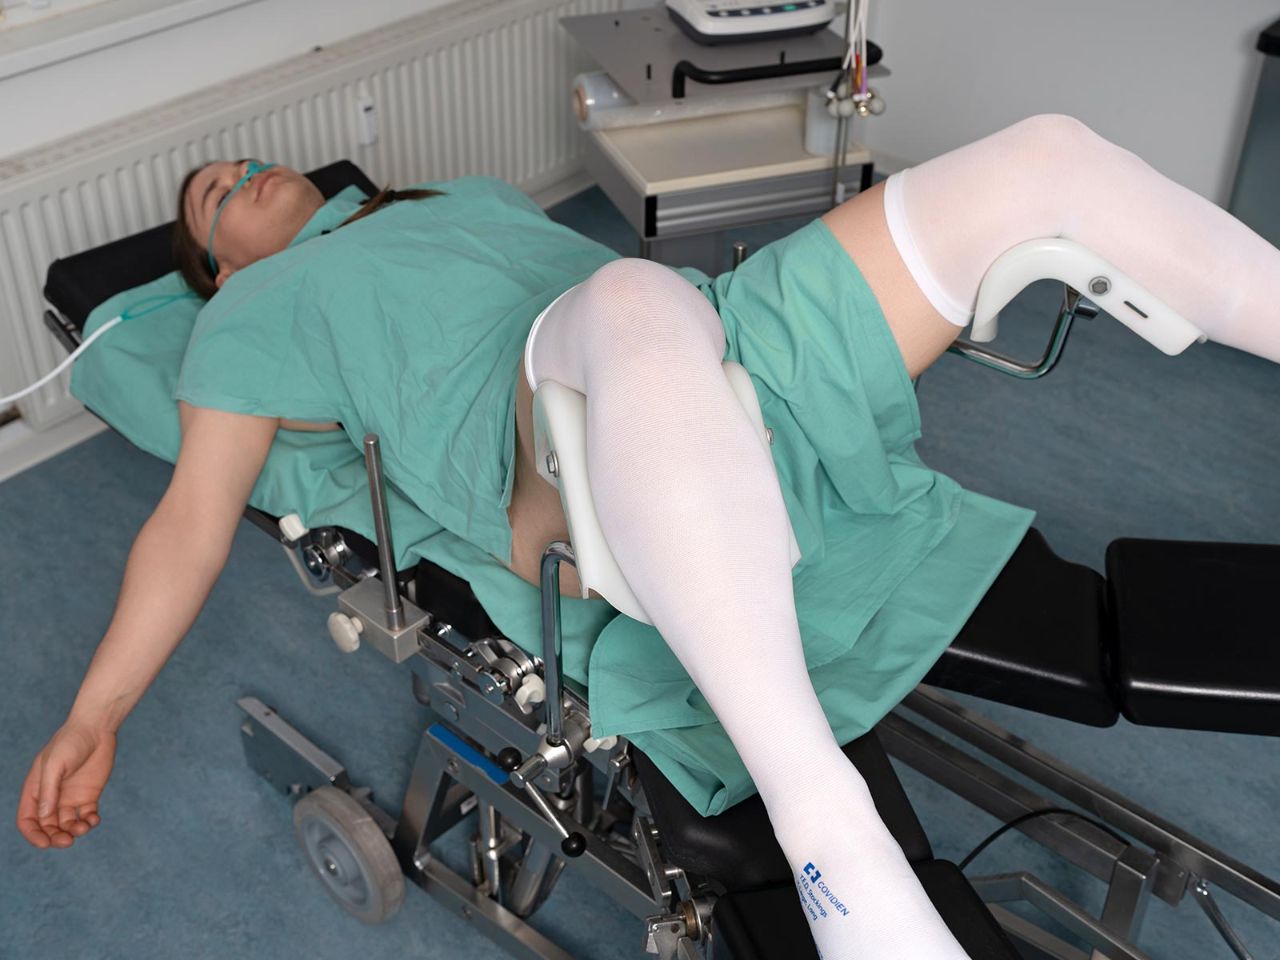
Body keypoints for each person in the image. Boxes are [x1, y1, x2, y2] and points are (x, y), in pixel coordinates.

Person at [16, 113, 1279, 960]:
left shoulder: (451, 197)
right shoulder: (248, 321)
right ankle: (828, 834)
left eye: (241, 160)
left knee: (1045, 157)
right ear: (219, 271)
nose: (238, 174)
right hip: (545, 450)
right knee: (624, 295)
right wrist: (93, 716)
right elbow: (188, 526)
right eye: (213, 198)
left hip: (715, 346)